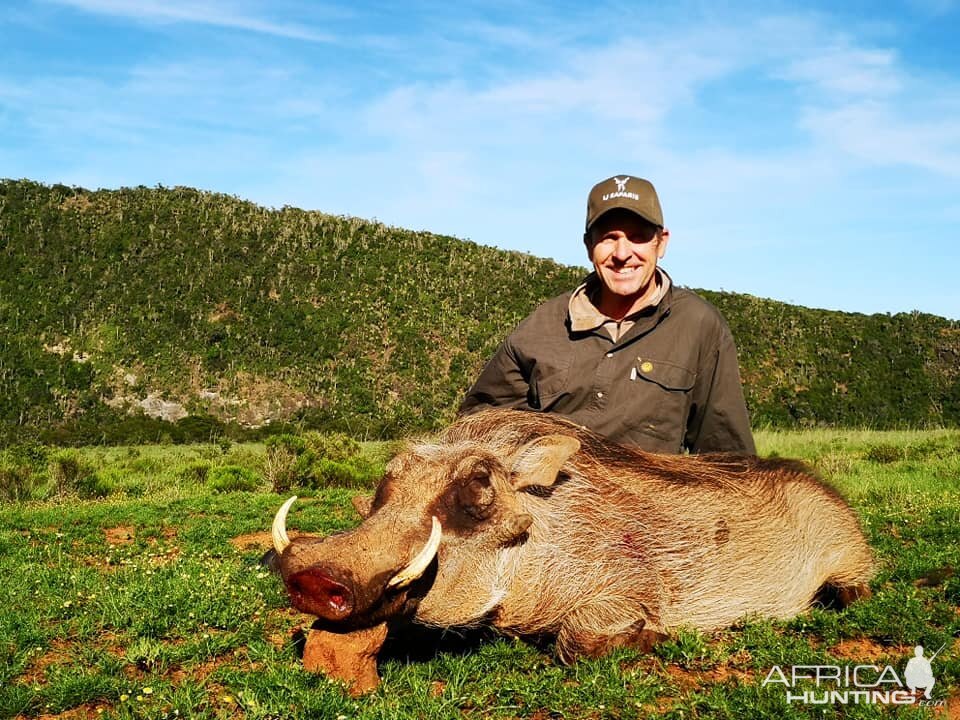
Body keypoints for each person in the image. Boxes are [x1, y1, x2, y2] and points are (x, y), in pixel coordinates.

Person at [459, 174, 756, 455]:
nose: (622, 253)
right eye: (609, 238)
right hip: (550, 504)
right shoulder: (543, 325)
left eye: (638, 237)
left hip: (647, 507)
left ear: (661, 242)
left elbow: (728, 456)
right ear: (589, 246)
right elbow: (475, 423)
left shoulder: (699, 325)